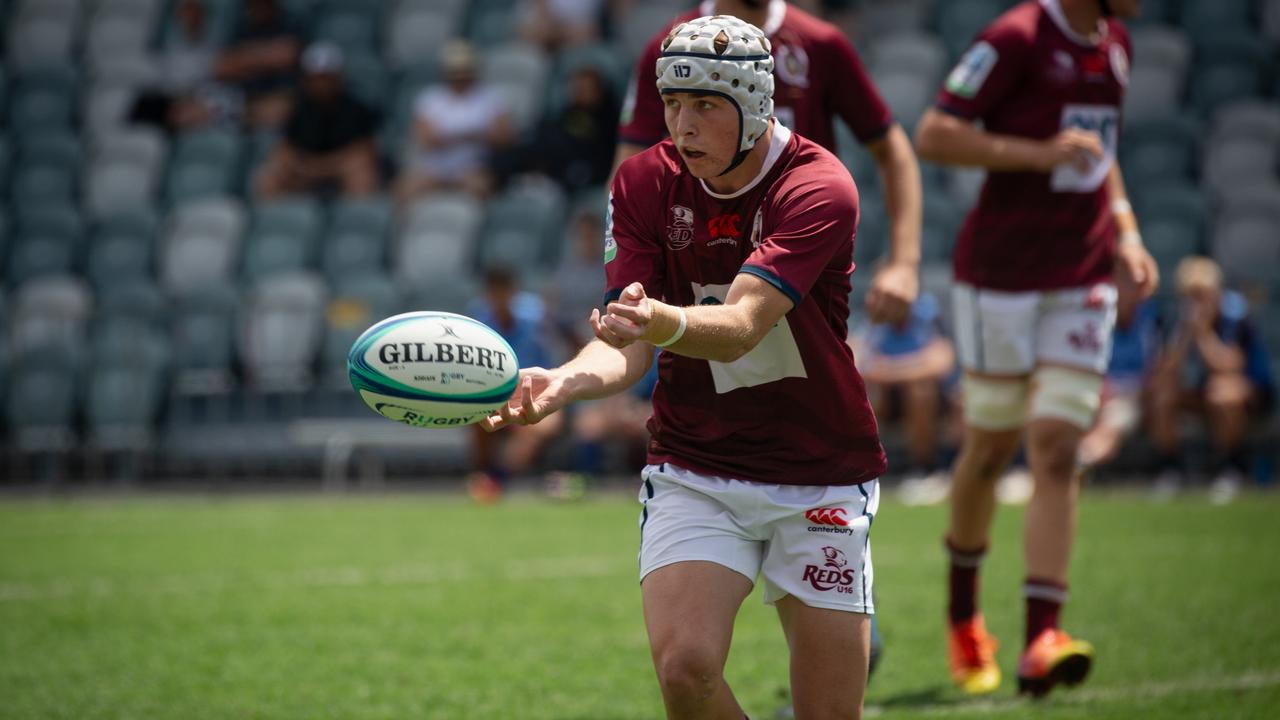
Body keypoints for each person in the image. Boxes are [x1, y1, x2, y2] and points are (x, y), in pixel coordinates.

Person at [483, 17, 886, 718]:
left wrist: (658, 319)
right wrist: (564, 382)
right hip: (697, 465)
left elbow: (737, 329)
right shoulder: (641, 182)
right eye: (672, 104)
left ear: (756, 104)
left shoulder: (819, 186)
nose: (682, 124)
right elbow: (628, 342)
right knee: (684, 669)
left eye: (705, 105)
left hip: (818, 466)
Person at [913, 0, 1159, 698]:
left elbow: (1099, 154)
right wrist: (1038, 153)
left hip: (1081, 276)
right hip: (1001, 278)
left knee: (1056, 447)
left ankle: (1042, 637)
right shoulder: (1016, 37)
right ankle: (964, 618)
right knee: (990, 450)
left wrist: (1128, 232)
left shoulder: (1117, 45)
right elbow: (934, 134)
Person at [615, 0, 923, 330]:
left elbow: (892, 150)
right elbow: (630, 166)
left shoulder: (821, 43)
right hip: (701, 259)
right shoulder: (670, 49)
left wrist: (904, 263)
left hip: (796, 253)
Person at [1148, 257, 1274, 504]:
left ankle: (1232, 468)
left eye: (1202, 295)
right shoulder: (1177, 318)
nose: (1197, 303)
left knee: (1222, 393)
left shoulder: (1236, 315)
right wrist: (1186, 335)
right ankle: (1171, 469)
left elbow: (1229, 366)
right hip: (1201, 390)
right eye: (1190, 296)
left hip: (1249, 390)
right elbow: (1165, 370)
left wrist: (1203, 333)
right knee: (1162, 395)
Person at [465, 267, 564, 504]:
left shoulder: (536, 315)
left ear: (513, 292)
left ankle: (498, 480)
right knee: (474, 415)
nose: (500, 299)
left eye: (504, 292)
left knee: (536, 428)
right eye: (494, 293)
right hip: (495, 394)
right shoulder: (478, 319)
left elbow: (553, 357)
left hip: (540, 392)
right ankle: (482, 474)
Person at [851, 292, 958, 505]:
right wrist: (910, 367)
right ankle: (862, 468)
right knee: (864, 391)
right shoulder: (873, 321)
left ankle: (925, 470)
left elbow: (940, 363)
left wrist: (889, 369)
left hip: (933, 401)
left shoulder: (927, 317)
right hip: (887, 398)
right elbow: (854, 360)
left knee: (920, 390)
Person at [255, 43, 381, 199]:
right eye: (315, 78)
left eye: (326, 78)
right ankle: (270, 219)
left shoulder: (357, 108)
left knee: (360, 170)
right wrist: (307, 167)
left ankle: (356, 219)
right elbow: (287, 148)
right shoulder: (297, 108)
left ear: (338, 77)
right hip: (306, 170)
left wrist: (322, 167)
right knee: (270, 173)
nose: (321, 84)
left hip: (338, 169)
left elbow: (364, 151)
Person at [395, 41, 512, 203]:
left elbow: (504, 137)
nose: (460, 76)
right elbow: (427, 139)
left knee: (480, 187)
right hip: (433, 169)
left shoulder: (492, 98)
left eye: (464, 70)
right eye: (456, 71)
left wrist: (449, 137)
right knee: (404, 189)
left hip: (473, 168)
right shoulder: (430, 98)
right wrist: (473, 135)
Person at [1076, 274, 1163, 473]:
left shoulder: (1151, 318)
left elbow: (1158, 367)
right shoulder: (1099, 317)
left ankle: (1081, 461)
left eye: (1132, 288)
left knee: (1112, 423)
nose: (1125, 294)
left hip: (1136, 396)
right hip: (1099, 391)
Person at [215, 0, 303, 128]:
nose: (258, 6)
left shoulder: (290, 21)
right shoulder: (241, 24)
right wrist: (270, 56)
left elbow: (289, 54)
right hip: (243, 100)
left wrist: (244, 57)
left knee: (279, 112)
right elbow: (222, 66)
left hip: (280, 96)